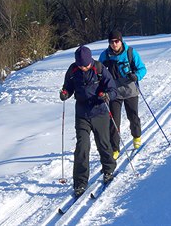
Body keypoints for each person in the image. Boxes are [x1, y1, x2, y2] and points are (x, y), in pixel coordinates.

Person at [60, 45, 117, 197]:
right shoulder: (73, 70)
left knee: (103, 143)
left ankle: (109, 169)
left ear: (90, 61)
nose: (83, 68)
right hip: (82, 114)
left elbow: (113, 88)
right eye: (80, 65)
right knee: (82, 147)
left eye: (85, 65)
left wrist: (107, 95)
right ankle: (80, 182)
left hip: (99, 112)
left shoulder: (99, 69)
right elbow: (68, 87)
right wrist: (65, 93)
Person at [99, 30, 147, 160]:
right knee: (114, 121)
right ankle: (115, 148)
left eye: (117, 41)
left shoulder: (131, 52)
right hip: (114, 93)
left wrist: (136, 76)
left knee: (133, 116)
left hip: (130, 90)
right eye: (111, 42)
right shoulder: (104, 56)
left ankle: (136, 136)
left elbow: (142, 68)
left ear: (121, 41)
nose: (114, 44)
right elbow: (99, 73)